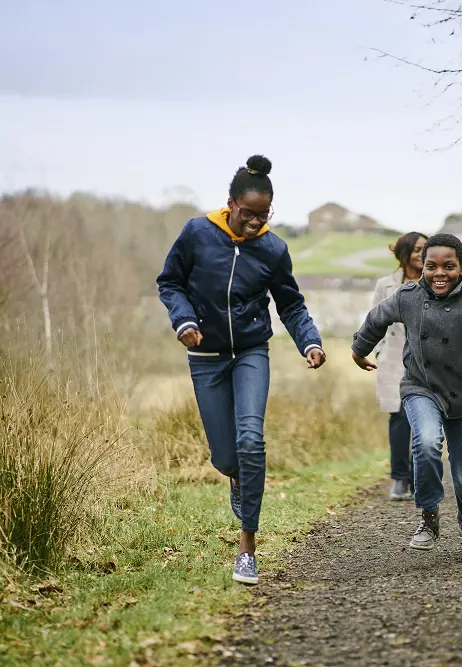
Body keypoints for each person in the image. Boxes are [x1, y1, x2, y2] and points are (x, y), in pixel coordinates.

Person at [156, 155, 326, 585]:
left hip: (251, 352)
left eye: (264, 215)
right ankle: (237, 477)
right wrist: (184, 320)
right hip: (206, 358)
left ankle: (247, 549)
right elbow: (170, 282)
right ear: (229, 203)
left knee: (251, 440)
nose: (255, 222)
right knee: (227, 457)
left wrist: (309, 341)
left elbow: (290, 303)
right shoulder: (198, 233)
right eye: (248, 213)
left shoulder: (273, 248)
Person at [351, 234, 462, 555]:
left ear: (461, 268)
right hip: (420, 387)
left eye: (448, 266)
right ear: (422, 268)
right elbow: (376, 318)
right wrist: (360, 351)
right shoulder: (408, 296)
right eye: (431, 266)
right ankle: (429, 517)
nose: (439, 273)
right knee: (426, 442)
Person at [370, 232, 428, 500]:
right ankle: (399, 479)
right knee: (398, 417)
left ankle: (420, 479)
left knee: (423, 419)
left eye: (425, 249)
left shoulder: (434, 281)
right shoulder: (385, 284)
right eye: (417, 249)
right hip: (394, 358)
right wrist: (379, 352)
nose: (422, 254)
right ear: (405, 253)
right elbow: (375, 321)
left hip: (426, 360)